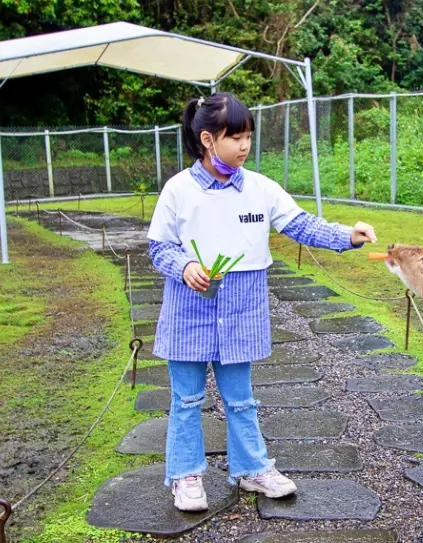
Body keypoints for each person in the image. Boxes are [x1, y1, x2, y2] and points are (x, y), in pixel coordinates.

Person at [146, 92, 377, 512]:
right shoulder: (177, 190)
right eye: (235, 136)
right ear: (207, 139)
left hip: (241, 308)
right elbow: (158, 247)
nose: (245, 145)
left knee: (241, 397)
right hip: (188, 309)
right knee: (186, 399)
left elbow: (302, 225)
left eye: (248, 135)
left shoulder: (260, 189)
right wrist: (183, 267)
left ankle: (252, 468)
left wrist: (347, 236)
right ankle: (185, 476)